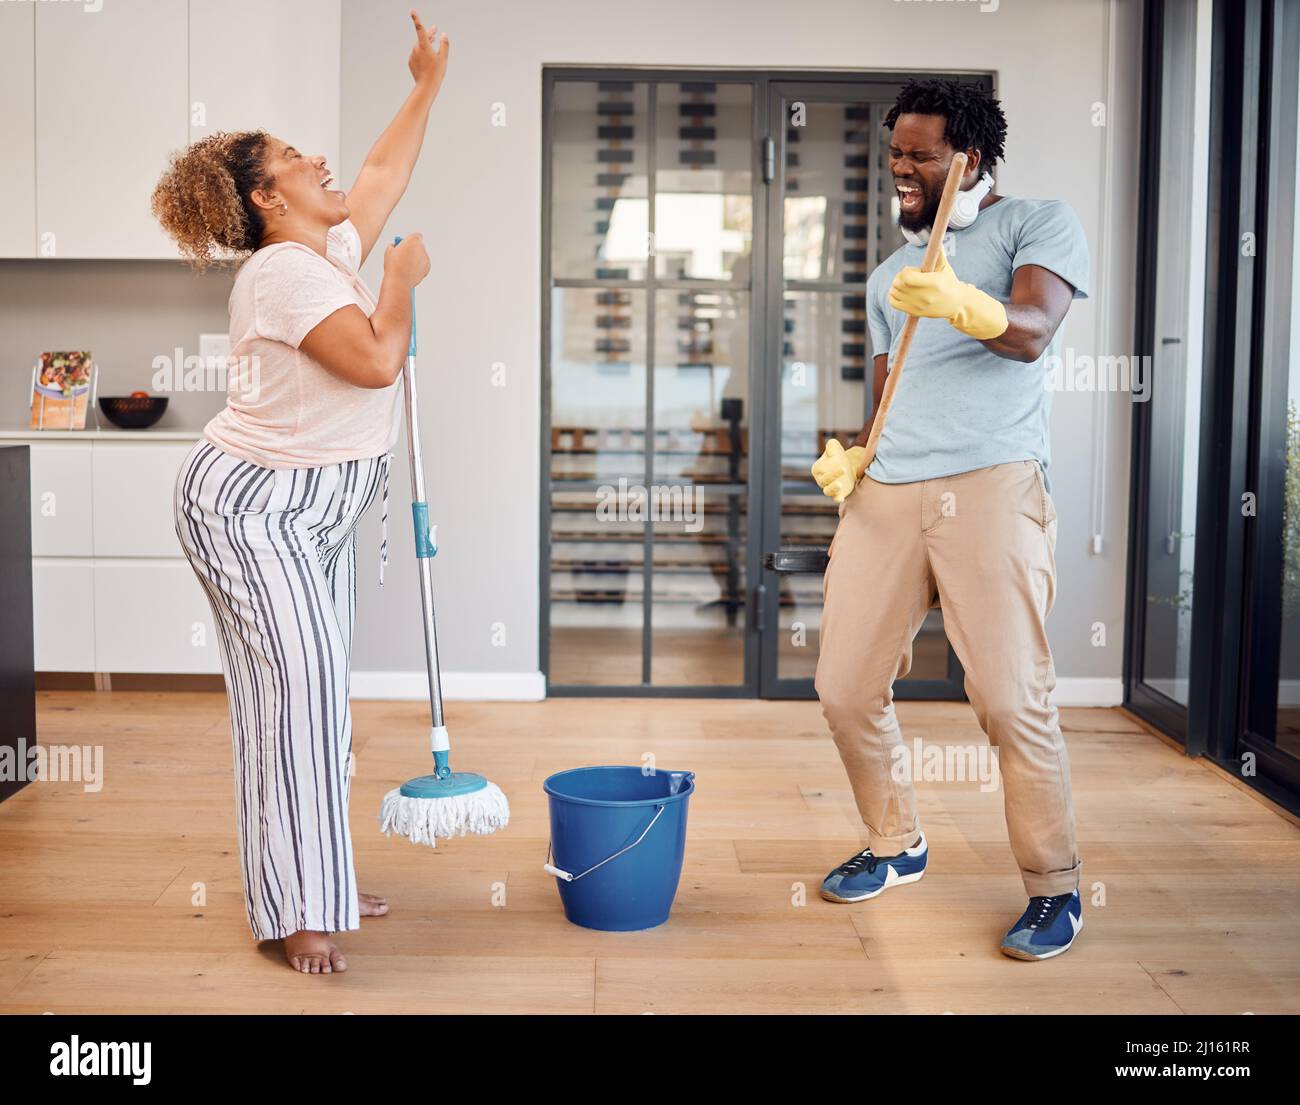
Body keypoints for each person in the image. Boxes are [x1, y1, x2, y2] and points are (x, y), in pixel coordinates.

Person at [151, 12, 448, 975]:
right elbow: (373, 361)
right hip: (253, 512)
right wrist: (402, 280)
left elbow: (381, 172)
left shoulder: (324, 251)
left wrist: (426, 81)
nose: (318, 160)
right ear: (263, 198)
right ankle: (296, 906)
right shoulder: (283, 272)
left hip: (317, 514)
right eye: (291, 158)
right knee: (299, 698)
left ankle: (311, 873)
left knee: (310, 700)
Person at [811, 79, 1090, 960]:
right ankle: (897, 843)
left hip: (993, 484)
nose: (900, 168)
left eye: (919, 155)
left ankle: (1054, 887)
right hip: (887, 492)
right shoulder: (888, 276)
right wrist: (854, 451)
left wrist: (967, 302)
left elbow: (1035, 327)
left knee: (1010, 698)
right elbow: (897, 386)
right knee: (844, 687)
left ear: (968, 159)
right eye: (894, 152)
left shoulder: (1036, 223)